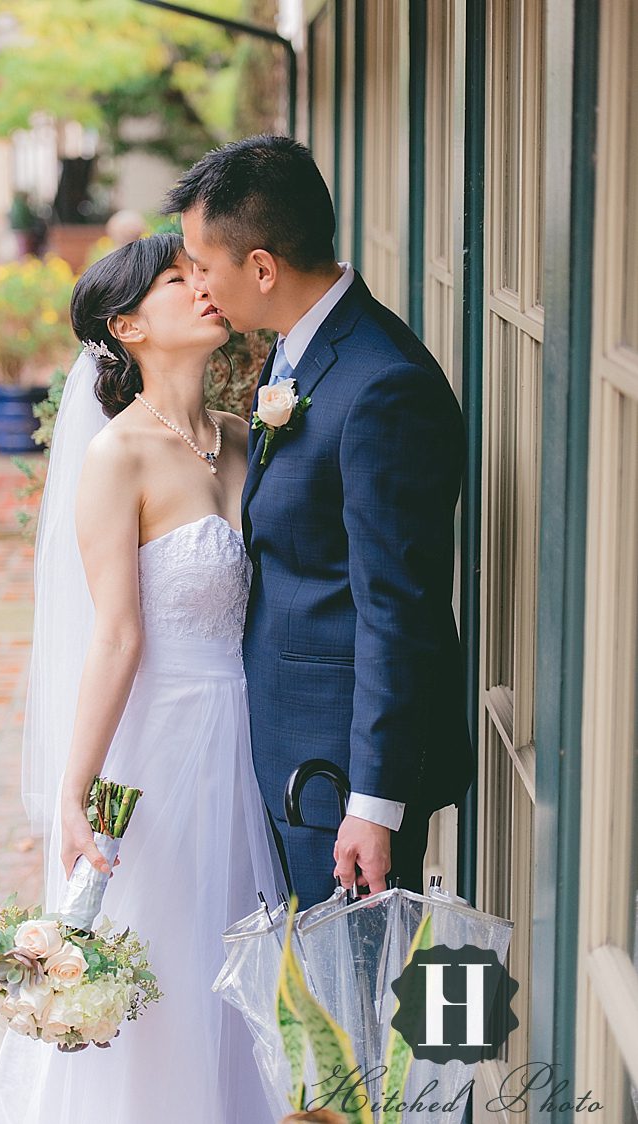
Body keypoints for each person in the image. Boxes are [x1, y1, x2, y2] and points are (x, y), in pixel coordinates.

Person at [0, 234, 280, 1123]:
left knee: (240, 969)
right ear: (129, 325)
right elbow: (114, 637)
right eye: (177, 279)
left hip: (250, 740)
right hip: (163, 748)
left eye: (203, 273)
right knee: (169, 964)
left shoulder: (242, 439)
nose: (203, 288)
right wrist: (76, 793)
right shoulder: (117, 456)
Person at [164, 135, 472, 906]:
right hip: (284, 748)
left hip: (336, 777)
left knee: (345, 1015)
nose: (198, 284)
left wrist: (373, 806)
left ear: (262, 268)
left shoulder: (382, 387)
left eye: (205, 264)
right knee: (297, 1005)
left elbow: (398, 607)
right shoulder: (296, 352)